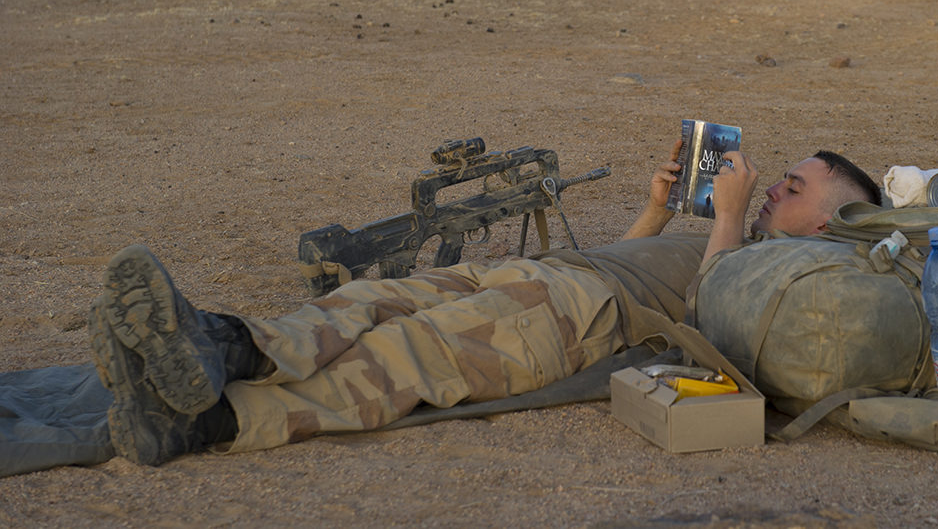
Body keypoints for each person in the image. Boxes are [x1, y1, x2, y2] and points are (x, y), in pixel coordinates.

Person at [89, 141, 883, 465]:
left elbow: (715, 312)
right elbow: (634, 254)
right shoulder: (739, 238)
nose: (776, 183)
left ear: (829, 219)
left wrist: (737, 215)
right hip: (562, 270)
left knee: (408, 357)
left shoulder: (788, 268)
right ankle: (221, 347)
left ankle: (201, 424)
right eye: (781, 176)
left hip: (580, 314)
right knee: (373, 298)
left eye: (795, 186)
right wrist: (659, 208)